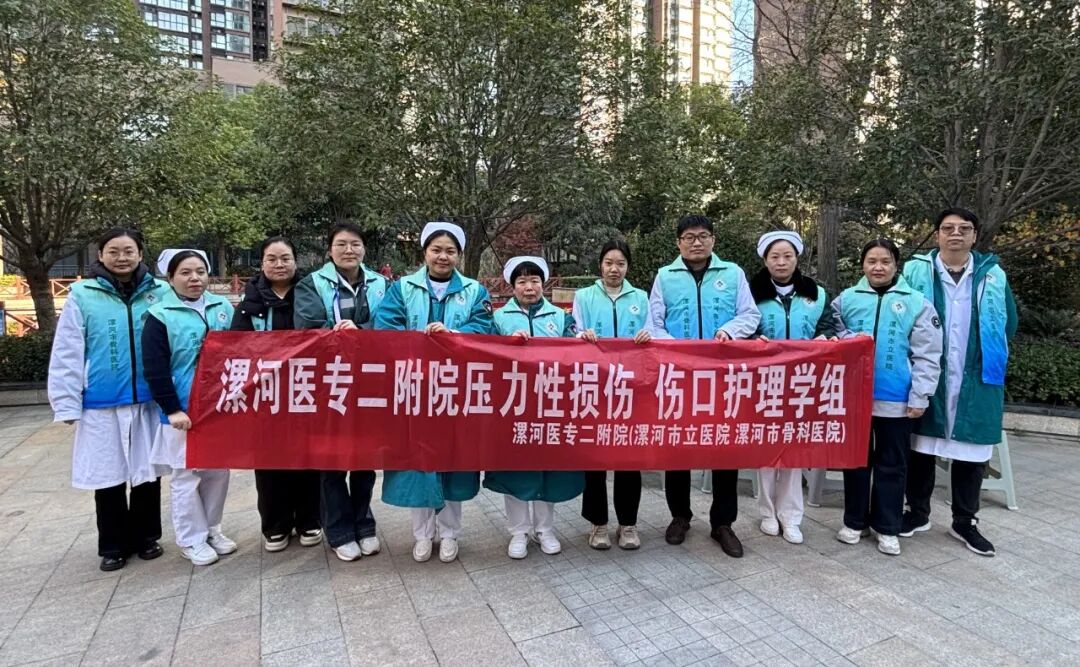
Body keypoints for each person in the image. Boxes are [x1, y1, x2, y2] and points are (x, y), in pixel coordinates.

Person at [47, 228, 171, 572]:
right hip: (102, 402)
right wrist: (66, 401)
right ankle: (113, 545)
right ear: (100, 255)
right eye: (113, 251)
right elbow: (68, 350)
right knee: (108, 476)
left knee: (148, 473)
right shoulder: (82, 295)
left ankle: (147, 537)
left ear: (140, 254)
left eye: (128, 251)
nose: (121, 257)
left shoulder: (160, 292)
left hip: (149, 399)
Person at [374, 222, 494, 563]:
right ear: (425, 252)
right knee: (418, 463)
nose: (443, 256)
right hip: (414, 390)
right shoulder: (402, 288)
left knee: (453, 462)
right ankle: (422, 535)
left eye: (450, 251)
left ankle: (451, 533)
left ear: (459, 255)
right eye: (436, 250)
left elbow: (484, 328)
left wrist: (452, 335)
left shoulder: (474, 291)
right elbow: (386, 327)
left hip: (456, 390)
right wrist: (418, 343)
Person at [901, 208, 1018, 556]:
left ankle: (965, 521)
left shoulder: (992, 275)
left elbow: (1009, 322)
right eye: (948, 228)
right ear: (937, 234)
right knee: (921, 444)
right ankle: (917, 512)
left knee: (971, 450)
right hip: (928, 370)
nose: (955, 234)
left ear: (974, 236)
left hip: (975, 372)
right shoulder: (917, 271)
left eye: (963, 229)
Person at [646, 215, 761, 557]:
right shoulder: (665, 277)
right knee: (677, 447)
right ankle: (680, 516)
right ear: (678, 242)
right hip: (679, 376)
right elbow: (653, 323)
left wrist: (729, 331)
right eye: (689, 237)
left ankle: (722, 523)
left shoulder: (733, 274)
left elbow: (750, 315)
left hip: (723, 377)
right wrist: (678, 351)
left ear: (713, 239)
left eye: (703, 236)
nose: (696, 242)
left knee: (724, 446)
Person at [830, 239, 942, 556]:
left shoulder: (916, 303)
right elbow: (831, 332)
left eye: (885, 261)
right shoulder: (846, 300)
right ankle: (854, 521)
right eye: (872, 261)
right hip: (854, 399)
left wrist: (921, 395)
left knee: (892, 464)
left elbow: (928, 353)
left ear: (896, 265)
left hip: (897, 399)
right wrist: (849, 338)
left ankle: (888, 526)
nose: (878, 267)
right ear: (862, 265)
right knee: (855, 462)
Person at [293, 223, 388, 562]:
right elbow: (306, 327)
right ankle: (338, 529)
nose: (349, 250)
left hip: (369, 379)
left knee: (364, 457)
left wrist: (359, 330)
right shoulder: (311, 283)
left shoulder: (381, 283)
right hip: (328, 381)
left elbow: (390, 322)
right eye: (341, 244)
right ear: (329, 250)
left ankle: (364, 523)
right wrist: (336, 334)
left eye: (355, 244)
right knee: (331, 458)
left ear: (364, 249)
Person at [143, 249, 238, 566]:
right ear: (170, 278)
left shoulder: (222, 307)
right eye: (185, 272)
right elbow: (155, 368)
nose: (194, 278)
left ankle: (212, 529)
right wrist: (171, 409)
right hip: (182, 409)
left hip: (219, 406)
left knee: (218, 472)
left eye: (200, 271)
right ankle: (190, 539)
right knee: (186, 475)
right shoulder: (159, 315)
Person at [486, 256, 585, 559]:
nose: (528, 287)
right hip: (513, 404)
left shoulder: (561, 316)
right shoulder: (499, 318)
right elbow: (485, 353)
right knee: (516, 469)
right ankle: (518, 531)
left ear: (543, 284)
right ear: (512, 286)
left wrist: (582, 339)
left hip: (550, 404)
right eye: (522, 282)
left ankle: (545, 529)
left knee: (547, 469)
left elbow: (574, 351)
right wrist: (508, 345)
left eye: (534, 281)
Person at [231, 236, 322, 553]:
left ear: (296, 261)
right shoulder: (250, 302)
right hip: (266, 393)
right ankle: (275, 525)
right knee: (269, 461)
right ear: (262, 263)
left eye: (285, 258)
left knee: (308, 456)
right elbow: (236, 347)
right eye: (272, 259)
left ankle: (310, 520)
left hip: (306, 389)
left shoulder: (310, 293)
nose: (279, 264)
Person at [750, 230, 836, 545]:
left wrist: (825, 339)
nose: (781, 262)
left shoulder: (816, 293)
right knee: (766, 448)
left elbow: (829, 327)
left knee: (794, 449)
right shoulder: (751, 293)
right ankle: (767, 513)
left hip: (803, 382)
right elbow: (743, 327)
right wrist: (753, 340)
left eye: (788, 256)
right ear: (765, 260)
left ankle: (791, 516)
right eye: (775, 256)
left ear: (797, 258)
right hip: (764, 382)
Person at [573, 239, 651, 551]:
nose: (614, 269)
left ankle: (628, 524)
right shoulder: (584, 296)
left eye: (620, 263)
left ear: (628, 266)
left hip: (632, 388)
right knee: (594, 458)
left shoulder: (641, 297)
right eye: (608, 263)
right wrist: (582, 335)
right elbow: (574, 331)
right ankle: (598, 523)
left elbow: (654, 332)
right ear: (600, 265)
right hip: (595, 386)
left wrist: (648, 335)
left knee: (629, 458)